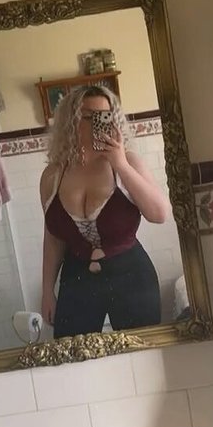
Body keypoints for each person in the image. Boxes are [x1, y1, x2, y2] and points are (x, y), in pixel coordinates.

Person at [40, 84, 169, 338]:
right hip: (77, 279)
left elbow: (159, 214)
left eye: (105, 116)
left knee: (143, 352)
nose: (99, 123)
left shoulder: (128, 162)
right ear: (71, 121)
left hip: (132, 276)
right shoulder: (52, 175)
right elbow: (53, 239)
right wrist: (47, 292)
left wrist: (120, 164)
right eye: (89, 116)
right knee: (73, 354)